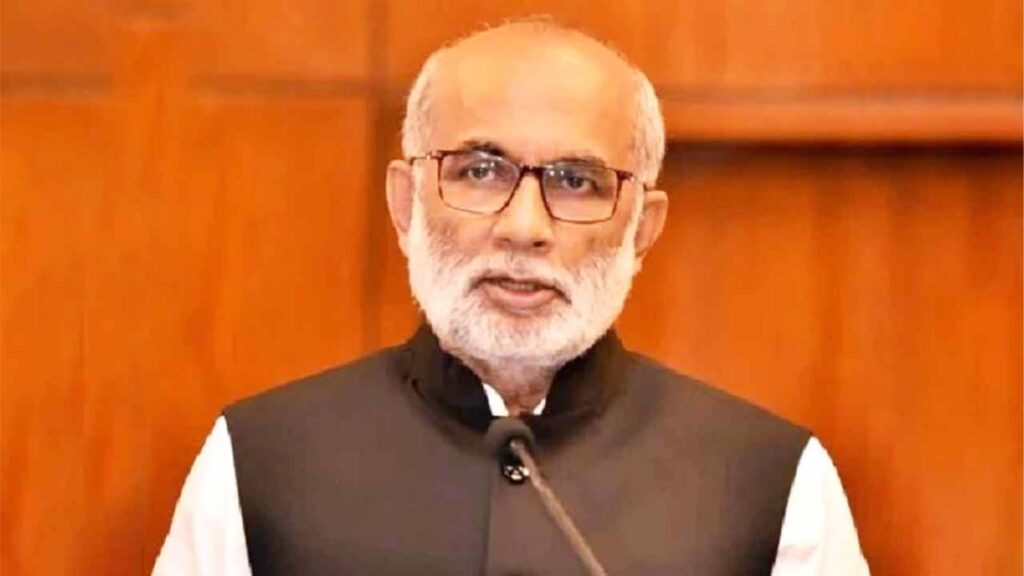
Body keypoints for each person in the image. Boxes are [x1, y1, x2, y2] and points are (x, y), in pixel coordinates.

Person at [154, 19, 870, 575]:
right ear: (405, 204)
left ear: (643, 229)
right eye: (479, 171)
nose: (524, 227)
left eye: (576, 182)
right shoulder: (259, 463)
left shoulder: (771, 483)